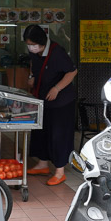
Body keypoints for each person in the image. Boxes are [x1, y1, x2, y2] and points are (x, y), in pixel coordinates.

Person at [23, 24, 77, 186]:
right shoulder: (35, 52)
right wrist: (32, 76)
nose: (31, 48)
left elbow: (72, 71)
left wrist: (57, 88)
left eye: (33, 44)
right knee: (42, 131)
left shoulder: (57, 52)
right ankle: (42, 164)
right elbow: (34, 64)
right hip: (43, 98)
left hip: (62, 101)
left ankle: (60, 171)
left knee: (58, 134)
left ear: (42, 42)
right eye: (28, 45)